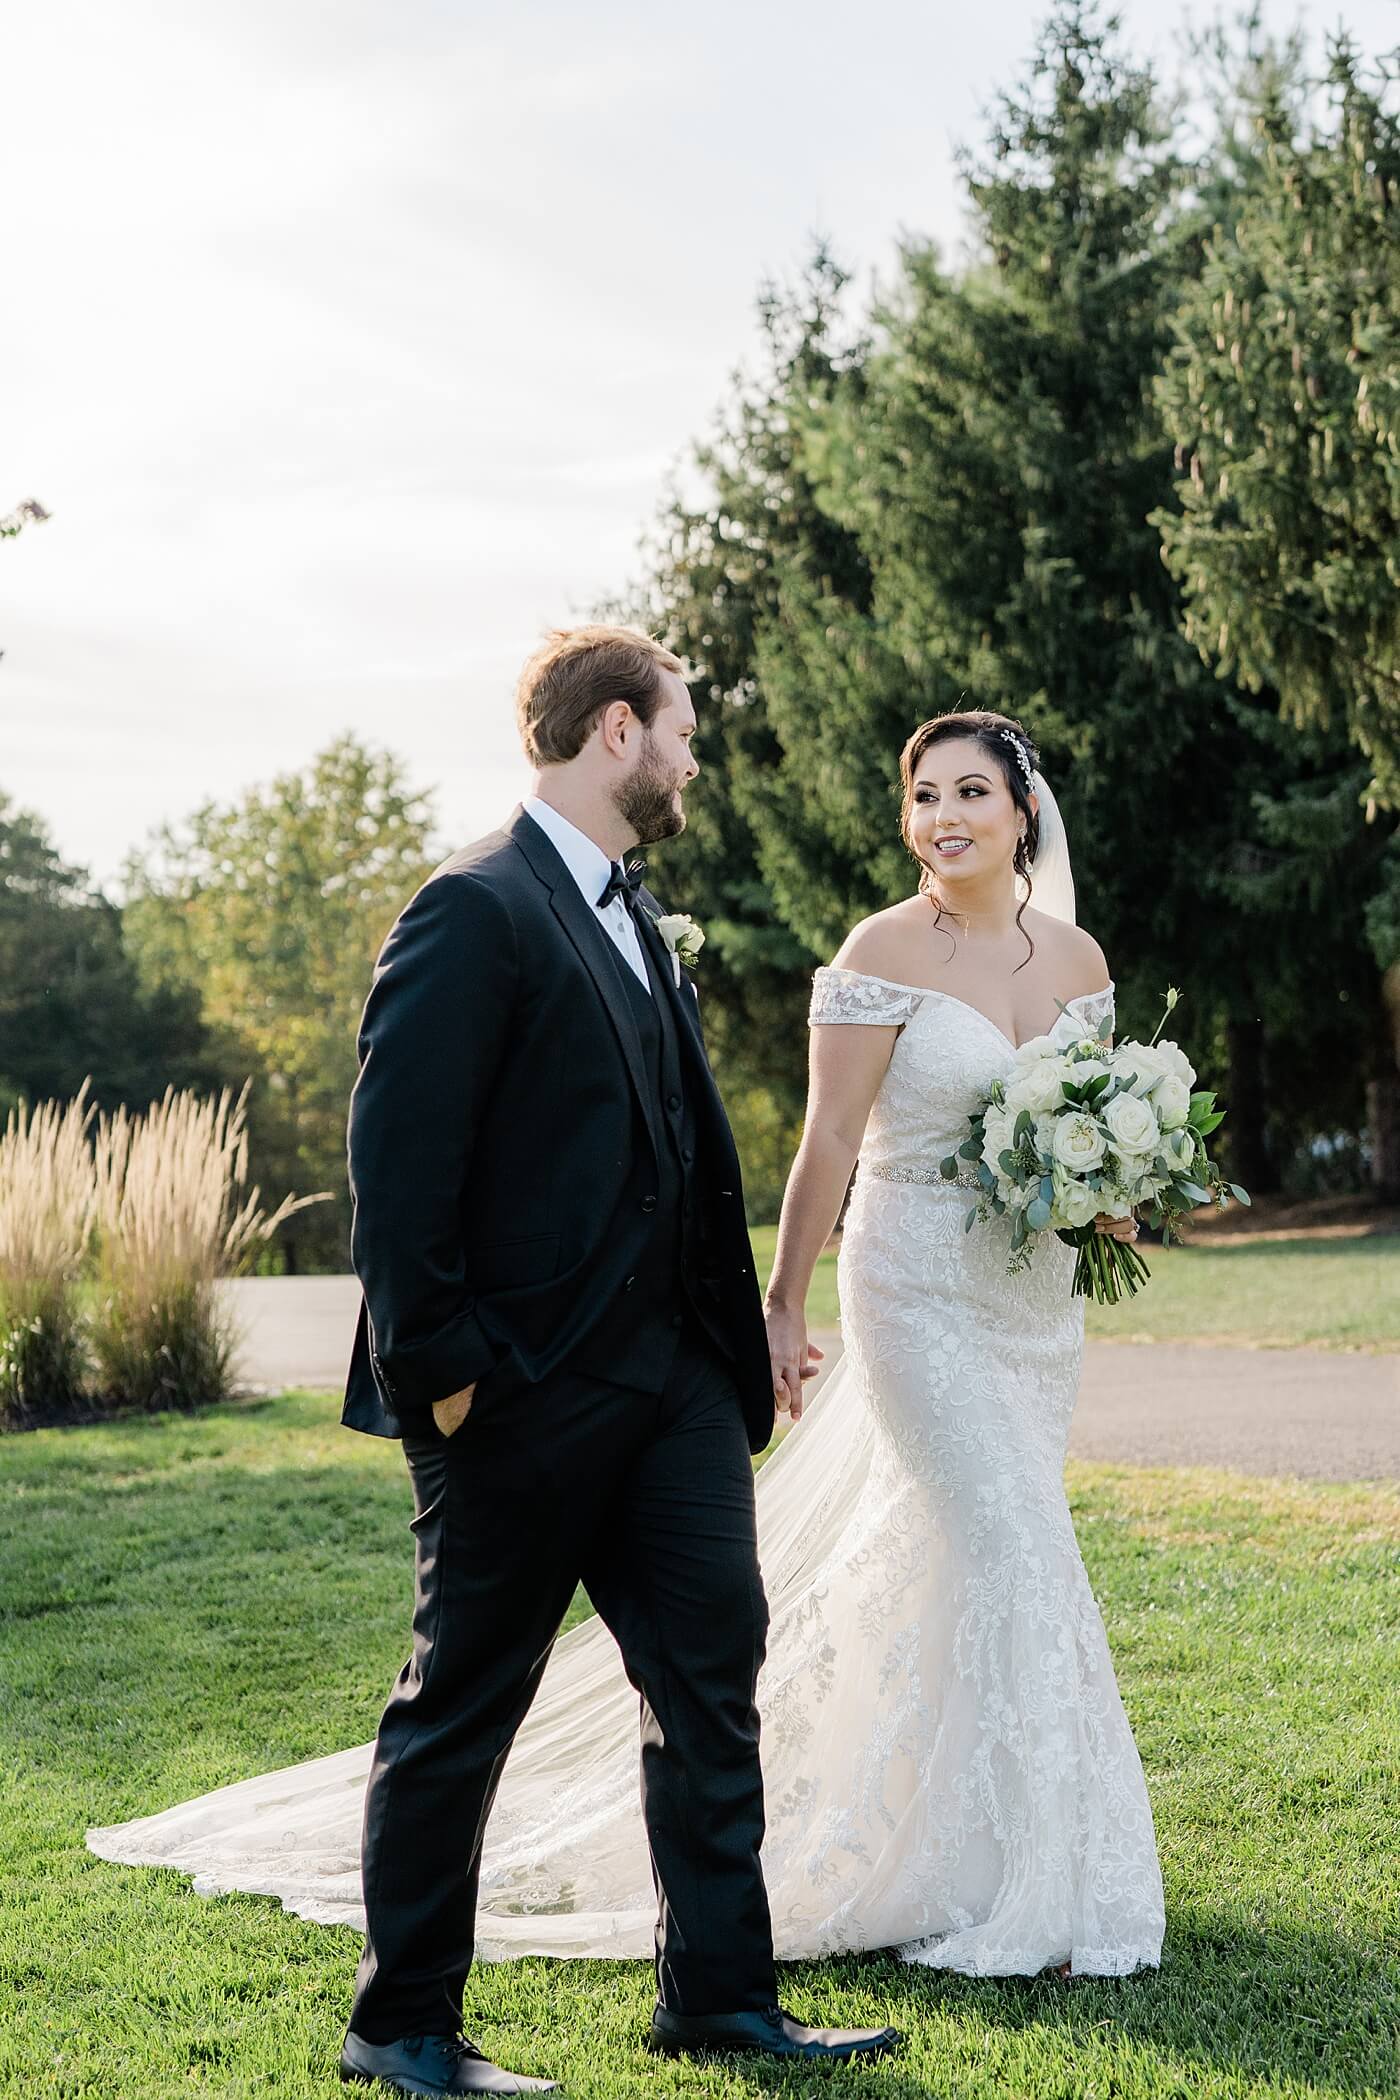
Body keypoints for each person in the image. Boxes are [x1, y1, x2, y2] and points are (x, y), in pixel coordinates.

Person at [88, 701, 1162, 2014]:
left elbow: (1086, 1127)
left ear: (1023, 812)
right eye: (922, 793)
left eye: (968, 794)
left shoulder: (1070, 955)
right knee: (1011, 1542)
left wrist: (1116, 1177)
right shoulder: (860, 946)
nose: (941, 816)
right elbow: (818, 1149)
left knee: (881, 1596)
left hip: (1030, 1302)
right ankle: (1043, 1883)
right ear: (616, 731)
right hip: (915, 1291)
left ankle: (859, 1914)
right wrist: (775, 1302)